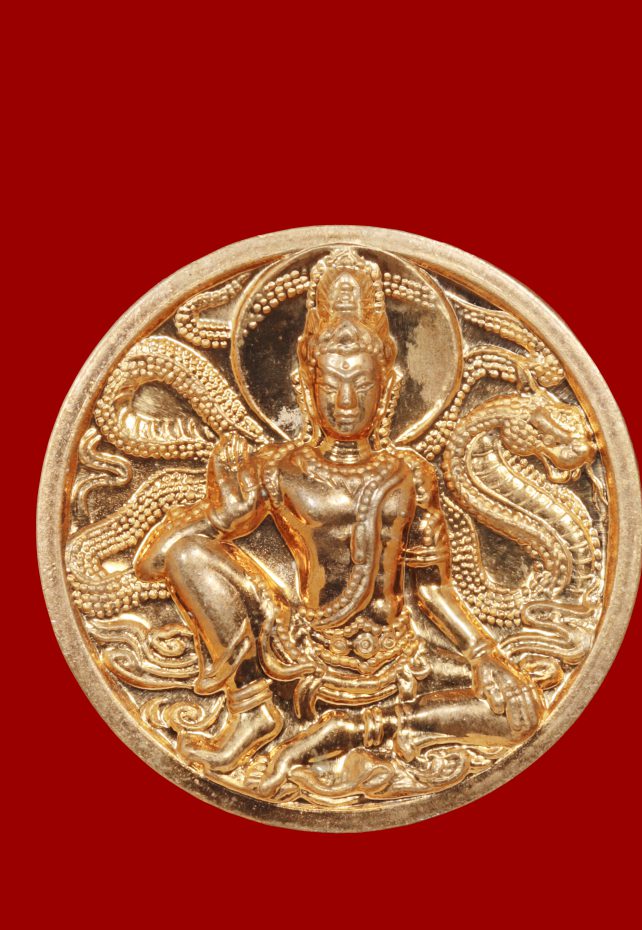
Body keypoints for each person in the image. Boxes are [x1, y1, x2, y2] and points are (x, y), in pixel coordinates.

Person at [135, 249, 541, 795]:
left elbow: (433, 591)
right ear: (307, 385)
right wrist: (216, 516)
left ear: (388, 386)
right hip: (303, 658)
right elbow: (154, 564)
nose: (347, 401)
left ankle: (352, 731)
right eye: (332, 385)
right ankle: (253, 710)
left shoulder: (410, 474)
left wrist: (485, 654)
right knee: (190, 554)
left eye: (362, 385)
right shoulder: (279, 468)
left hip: (400, 661)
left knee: (522, 715)